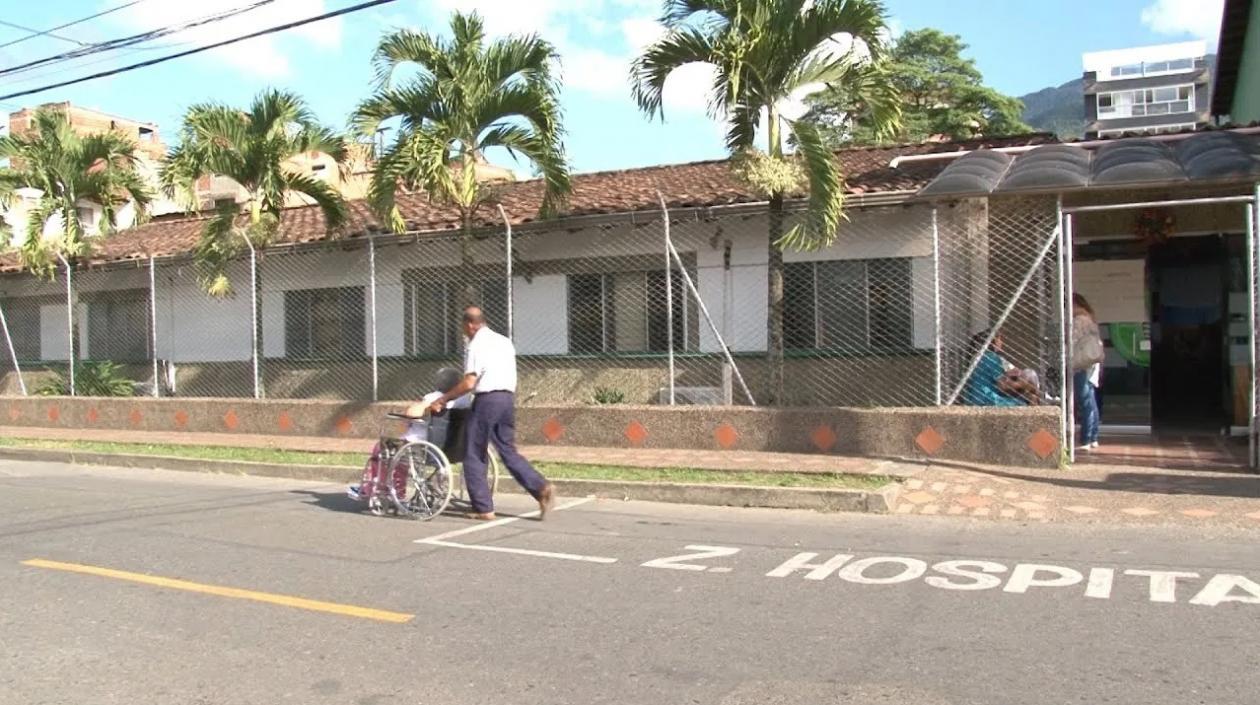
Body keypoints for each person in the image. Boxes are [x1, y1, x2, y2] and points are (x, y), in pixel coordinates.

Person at [429, 306, 555, 521]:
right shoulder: (504, 341)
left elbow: (469, 381)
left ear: (470, 324)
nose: (464, 333)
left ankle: (483, 508)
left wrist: (443, 399)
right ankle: (540, 487)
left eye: (464, 328)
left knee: (473, 452)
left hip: (487, 400)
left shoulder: (476, 344)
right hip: (506, 399)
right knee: (507, 450)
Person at [962, 330, 1041, 406]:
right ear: (994, 342)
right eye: (1000, 340)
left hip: (972, 397)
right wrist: (1025, 385)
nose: (1001, 343)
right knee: (1024, 402)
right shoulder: (992, 358)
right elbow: (1003, 385)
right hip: (987, 398)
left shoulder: (977, 357)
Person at [1071, 293, 1104, 451]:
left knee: (1085, 401)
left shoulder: (1079, 320)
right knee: (1090, 400)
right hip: (1091, 363)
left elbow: (1072, 339)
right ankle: (1093, 436)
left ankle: (1086, 438)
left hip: (1081, 363)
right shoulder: (1091, 318)